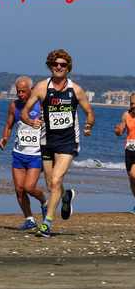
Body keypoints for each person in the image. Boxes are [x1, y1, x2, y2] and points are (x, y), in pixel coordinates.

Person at [21, 49, 95, 238]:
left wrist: (88, 125)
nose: (59, 67)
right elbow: (25, 112)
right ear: (50, 66)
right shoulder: (41, 87)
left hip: (68, 141)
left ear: (68, 68)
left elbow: (89, 112)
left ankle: (47, 224)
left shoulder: (75, 89)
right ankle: (65, 196)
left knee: (55, 180)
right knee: (50, 183)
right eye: (55, 64)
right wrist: (31, 122)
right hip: (47, 140)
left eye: (63, 65)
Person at [0, 76, 47, 230]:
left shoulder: (40, 105)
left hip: (36, 155)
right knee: (19, 189)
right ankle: (29, 219)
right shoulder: (14, 106)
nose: (20, 94)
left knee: (29, 187)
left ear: (31, 90)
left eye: (23, 91)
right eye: (18, 91)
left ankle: (44, 202)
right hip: (18, 154)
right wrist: (5, 137)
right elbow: (9, 124)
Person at [114, 93, 135, 214]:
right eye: (131, 103)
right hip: (129, 151)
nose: (133, 106)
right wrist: (118, 130)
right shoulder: (126, 115)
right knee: (132, 181)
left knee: (134, 175)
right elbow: (120, 131)